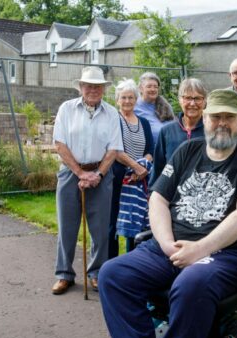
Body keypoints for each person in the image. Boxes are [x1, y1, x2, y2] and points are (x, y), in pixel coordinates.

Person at [98, 89, 237, 338]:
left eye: (228, 117)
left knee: (191, 283)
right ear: (205, 118)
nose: (221, 123)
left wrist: (199, 249)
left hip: (226, 254)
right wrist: (167, 244)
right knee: (113, 274)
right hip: (171, 248)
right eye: (215, 116)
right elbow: (158, 198)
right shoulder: (188, 150)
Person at [51, 66, 123, 295]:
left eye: (97, 86)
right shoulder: (67, 109)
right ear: (81, 87)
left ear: (103, 89)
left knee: (101, 229)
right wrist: (80, 173)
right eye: (88, 85)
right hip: (70, 173)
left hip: (101, 174)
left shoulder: (112, 113)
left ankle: (96, 273)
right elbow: (59, 144)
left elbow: (113, 149)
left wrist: (98, 175)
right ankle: (64, 274)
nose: (93, 89)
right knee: (67, 227)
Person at [108, 79, 154, 256]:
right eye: (123, 97)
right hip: (118, 178)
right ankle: (109, 262)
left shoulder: (144, 122)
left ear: (136, 99)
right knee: (112, 222)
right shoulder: (113, 120)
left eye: (131, 97)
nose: (127, 101)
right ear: (117, 100)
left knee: (135, 221)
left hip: (138, 180)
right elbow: (116, 150)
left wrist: (142, 168)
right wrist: (135, 167)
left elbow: (150, 149)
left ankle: (132, 261)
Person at [149, 78, 207, 185]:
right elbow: (158, 167)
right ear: (180, 100)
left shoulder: (211, 132)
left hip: (201, 195)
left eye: (198, 98)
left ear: (204, 101)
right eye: (188, 98)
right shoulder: (167, 131)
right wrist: (152, 193)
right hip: (170, 193)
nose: (192, 103)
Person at [134, 72, 175, 143]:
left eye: (155, 87)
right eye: (149, 86)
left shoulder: (166, 105)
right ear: (141, 88)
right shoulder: (134, 107)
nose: (153, 89)